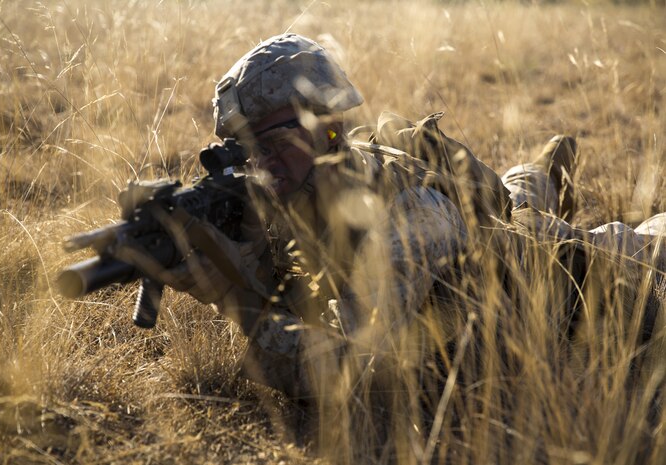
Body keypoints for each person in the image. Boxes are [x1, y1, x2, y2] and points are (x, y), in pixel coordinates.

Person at [126, 33, 665, 451]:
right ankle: (542, 173)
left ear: (326, 125)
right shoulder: (304, 190)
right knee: (514, 198)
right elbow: (303, 299)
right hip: (488, 233)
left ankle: (543, 184)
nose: (258, 163)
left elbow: (345, 371)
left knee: (613, 239)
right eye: (242, 149)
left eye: (269, 139)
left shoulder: (411, 217)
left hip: (586, 278)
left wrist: (237, 300)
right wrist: (242, 255)